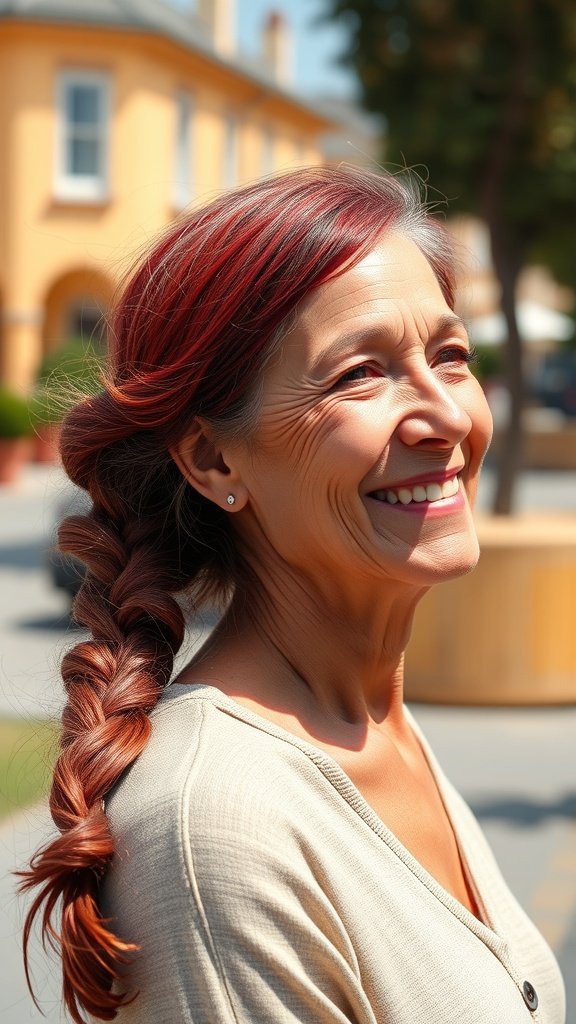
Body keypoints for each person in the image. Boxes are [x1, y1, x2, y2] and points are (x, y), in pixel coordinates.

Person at [21, 166, 565, 1024]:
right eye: (359, 374)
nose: (447, 416)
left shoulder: (369, 716)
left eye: (450, 356)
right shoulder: (219, 833)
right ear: (213, 461)